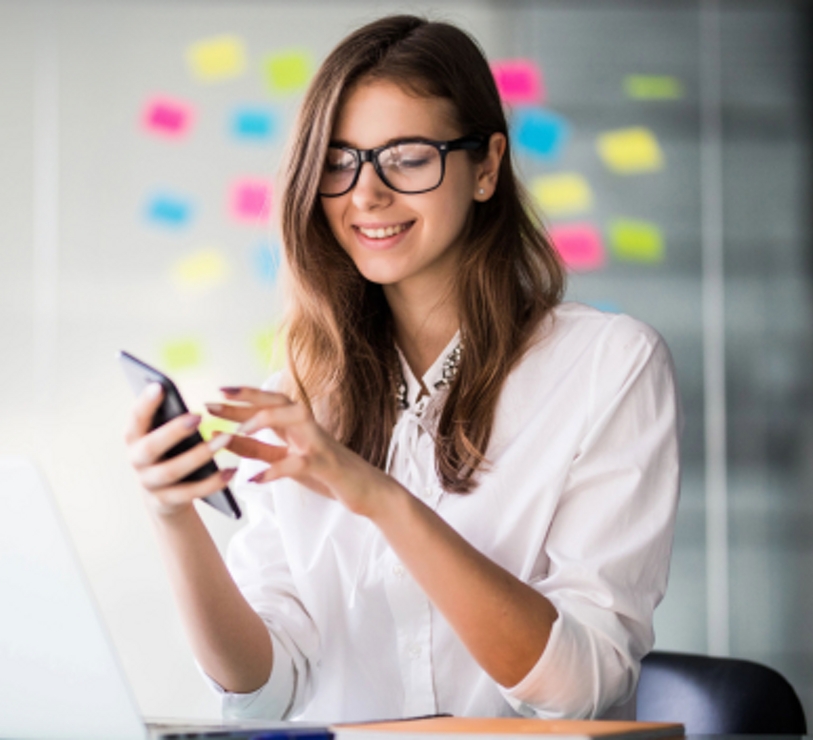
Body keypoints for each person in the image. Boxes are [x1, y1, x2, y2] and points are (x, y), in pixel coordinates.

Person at [123, 15, 680, 724]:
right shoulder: (296, 400)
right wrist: (173, 517)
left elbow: (579, 685)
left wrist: (379, 497)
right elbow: (264, 690)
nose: (365, 194)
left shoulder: (609, 367)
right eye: (339, 160)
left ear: (486, 167)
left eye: (408, 157)